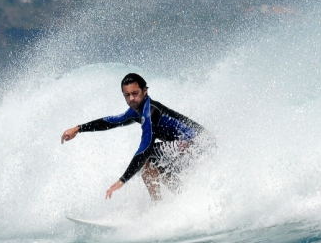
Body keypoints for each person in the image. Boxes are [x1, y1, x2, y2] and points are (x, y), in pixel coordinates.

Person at [60, 73, 211, 201]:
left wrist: (121, 181)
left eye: (135, 93)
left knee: (147, 157)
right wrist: (78, 129)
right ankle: (183, 199)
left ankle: (161, 205)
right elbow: (111, 122)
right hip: (193, 145)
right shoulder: (136, 111)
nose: (131, 98)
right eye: (127, 95)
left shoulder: (150, 112)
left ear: (144, 91)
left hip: (199, 143)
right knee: (152, 161)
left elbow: (144, 148)